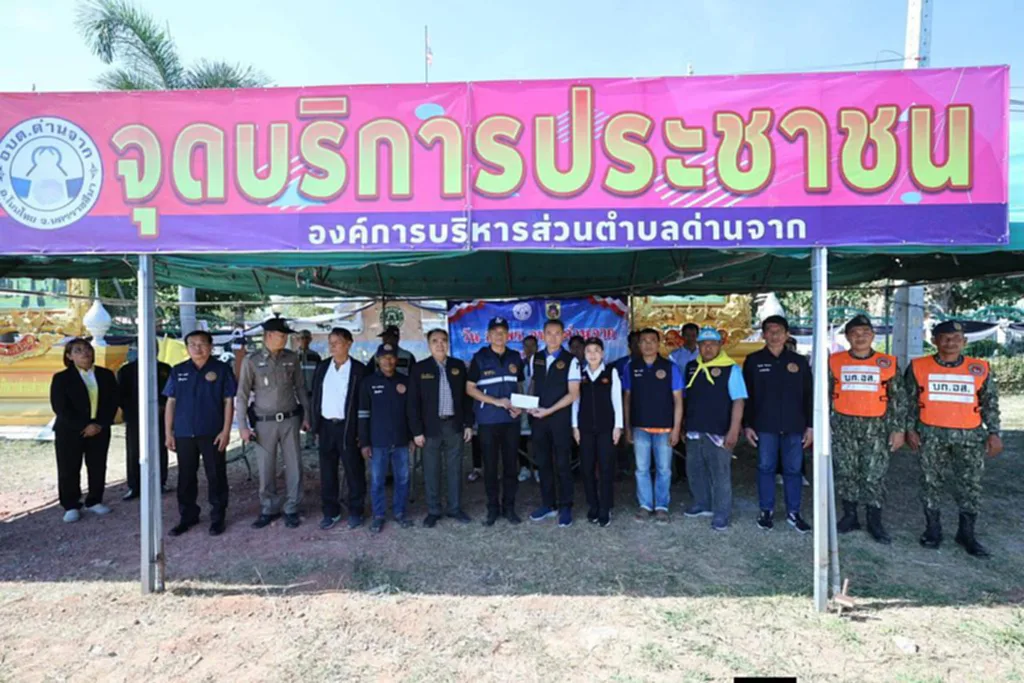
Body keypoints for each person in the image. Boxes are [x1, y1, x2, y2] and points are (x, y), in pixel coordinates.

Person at [907, 320, 1003, 558]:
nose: (951, 343)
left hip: (969, 437)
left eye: (957, 338)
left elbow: (990, 403)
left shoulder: (979, 368)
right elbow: (908, 402)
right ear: (934, 341)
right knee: (930, 483)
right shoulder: (919, 366)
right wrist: (909, 429)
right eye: (945, 338)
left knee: (970, 485)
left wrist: (994, 432)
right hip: (931, 436)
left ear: (965, 341)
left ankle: (966, 534)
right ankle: (933, 530)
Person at [828, 315, 906, 544]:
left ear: (873, 336)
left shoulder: (887, 363)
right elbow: (824, 394)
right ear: (847, 337)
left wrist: (898, 429)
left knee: (874, 474)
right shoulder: (834, 361)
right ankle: (850, 516)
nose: (860, 337)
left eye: (865, 333)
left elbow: (898, 399)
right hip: (844, 426)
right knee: (846, 472)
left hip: (877, 428)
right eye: (855, 333)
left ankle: (874, 520)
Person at [236, 317, 311, 530]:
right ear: (268, 335)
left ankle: (292, 507)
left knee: (294, 464)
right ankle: (269, 507)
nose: (285, 339)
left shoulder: (292, 358)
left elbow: (300, 388)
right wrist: (242, 425)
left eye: (286, 335)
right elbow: (242, 395)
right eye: (281, 335)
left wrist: (307, 415)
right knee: (265, 466)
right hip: (264, 422)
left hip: (290, 419)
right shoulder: (252, 360)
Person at [743, 315, 813, 534]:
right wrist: (747, 424)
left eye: (779, 331)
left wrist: (810, 426)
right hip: (765, 425)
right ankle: (766, 511)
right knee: (766, 467)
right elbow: (747, 396)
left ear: (787, 334)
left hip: (794, 425)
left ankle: (794, 512)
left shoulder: (799, 361)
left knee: (793, 469)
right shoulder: (753, 361)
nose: (774, 335)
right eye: (770, 331)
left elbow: (809, 396)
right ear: (763, 335)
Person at [163, 330, 237, 536]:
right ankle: (188, 516)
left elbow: (228, 401)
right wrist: (168, 432)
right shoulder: (178, 370)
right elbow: (171, 402)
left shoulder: (221, 369)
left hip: (212, 432)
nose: (197, 348)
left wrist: (226, 431)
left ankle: (218, 517)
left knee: (216, 475)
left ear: (211, 346)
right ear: (187, 348)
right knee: (185, 476)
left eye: (202, 343)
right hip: (184, 432)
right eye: (192, 344)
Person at [682, 327, 747, 531]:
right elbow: (686, 398)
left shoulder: (731, 368)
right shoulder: (692, 367)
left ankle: (721, 513)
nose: (708, 348)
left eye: (712, 344)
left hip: (719, 430)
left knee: (720, 473)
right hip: (695, 428)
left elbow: (738, 401)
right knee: (695, 469)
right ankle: (702, 503)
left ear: (720, 345)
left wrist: (734, 430)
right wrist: (683, 424)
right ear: (698, 346)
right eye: (704, 344)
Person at [408, 329, 474, 527]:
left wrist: (468, 424)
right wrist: (416, 431)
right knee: (431, 470)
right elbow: (412, 403)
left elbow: (467, 399)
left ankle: (455, 508)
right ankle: (434, 510)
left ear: (448, 343)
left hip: (454, 425)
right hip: (430, 428)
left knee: (455, 469)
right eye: (435, 341)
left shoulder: (458, 366)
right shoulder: (419, 369)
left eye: (443, 340)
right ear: (429, 345)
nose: (440, 344)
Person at [49, 338, 119, 522]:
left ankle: (94, 500)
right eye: (78, 350)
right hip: (70, 430)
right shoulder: (61, 378)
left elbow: (112, 402)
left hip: (99, 429)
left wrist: (99, 424)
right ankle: (71, 505)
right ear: (69, 356)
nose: (85, 353)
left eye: (87, 348)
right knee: (69, 467)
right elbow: (60, 407)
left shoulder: (105, 375)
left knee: (97, 465)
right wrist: (83, 426)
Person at [466, 317, 525, 526]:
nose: (499, 336)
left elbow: (519, 386)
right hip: (488, 421)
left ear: (508, 335)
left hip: (511, 421)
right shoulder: (479, 358)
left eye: (503, 332)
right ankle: (492, 508)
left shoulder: (515, 357)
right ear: (488, 336)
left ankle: (509, 507)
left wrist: (519, 406)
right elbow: (470, 389)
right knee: (490, 467)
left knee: (510, 466)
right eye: (495, 332)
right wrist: (496, 402)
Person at [308, 327, 368, 530]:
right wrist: (314, 424)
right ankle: (330, 511)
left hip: (348, 427)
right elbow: (315, 397)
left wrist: (362, 433)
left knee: (354, 470)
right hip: (326, 426)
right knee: (327, 471)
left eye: (337, 342)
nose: (332, 346)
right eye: (330, 343)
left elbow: (364, 405)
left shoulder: (359, 370)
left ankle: (356, 511)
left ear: (349, 344)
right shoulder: (323, 367)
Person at [623, 328, 683, 523]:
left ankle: (662, 506)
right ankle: (645, 505)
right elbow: (627, 398)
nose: (648, 344)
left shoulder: (670, 367)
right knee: (641, 468)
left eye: (652, 341)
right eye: (644, 341)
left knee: (664, 469)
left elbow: (678, 400)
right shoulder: (631, 367)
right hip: (640, 427)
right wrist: (627, 427)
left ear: (658, 344)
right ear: (638, 344)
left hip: (665, 428)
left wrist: (676, 428)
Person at [528, 319, 582, 527]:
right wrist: (529, 405)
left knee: (562, 464)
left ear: (563, 335)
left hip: (559, 419)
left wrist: (548, 411)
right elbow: (533, 385)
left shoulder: (571, 361)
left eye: (557, 333)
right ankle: (548, 504)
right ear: (543, 335)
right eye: (549, 333)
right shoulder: (536, 358)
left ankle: (566, 506)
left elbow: (573, 394)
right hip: (538, 419)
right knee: (543, 462)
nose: (553, 337)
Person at [359, 343, 414, 533]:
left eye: (391, 357)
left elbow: (411, 412)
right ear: (377, 360)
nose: (387, 361)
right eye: (383, 358)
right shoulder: (368, 382)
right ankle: (379, 515)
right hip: (377, 441)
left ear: (396, 359)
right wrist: (364, 442)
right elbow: (363, 414)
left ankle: (400, 512)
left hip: (401, 440)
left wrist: (412, 437)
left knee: (403, 479)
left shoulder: (406, 381)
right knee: (377, 481)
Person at [572, 338, 623, 527]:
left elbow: (617, 400)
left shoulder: (611, 372)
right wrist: (575, 426)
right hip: (585, 428)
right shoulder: (579, 373)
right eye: (589, 351)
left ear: (602, 353)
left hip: (606, 428)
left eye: (596, 350)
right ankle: (593, 505)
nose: (592, 354)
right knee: (586, 468)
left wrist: (618, 426)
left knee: (606, 468)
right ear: (584, 354)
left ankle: (605, 507)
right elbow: (575, 401)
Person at [117, 346, 172, 500]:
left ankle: (160, 482)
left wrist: (163, 406)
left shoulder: (165, 368)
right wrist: (135, 410)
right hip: (135, 418)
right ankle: (134, 486)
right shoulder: (126, 370)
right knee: (134, 450)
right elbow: (121, 395)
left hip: (160, 416)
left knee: (160, 448)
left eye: (154, 346)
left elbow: (170, 393)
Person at [518, 334, 539, 482]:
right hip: (521, 406)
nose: (529, 348)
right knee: (521, 438)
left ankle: (538, 468)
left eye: (532, 345)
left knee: (538, 438)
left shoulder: (541, 363)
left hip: (538, 407)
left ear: (537, 347)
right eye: (526, 346)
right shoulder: (519, 364)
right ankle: (524, 467)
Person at [295, 329, 322, 449]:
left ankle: (310, 441)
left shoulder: (315, 356)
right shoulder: (293, 356)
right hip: (296, 394)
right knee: (296, 417)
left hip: (311, 392)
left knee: (311, 415)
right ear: (297, 339)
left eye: (306, 338)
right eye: (302, 338)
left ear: (310, 339)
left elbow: (319, 375)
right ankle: (295, 442)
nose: (304, 340)